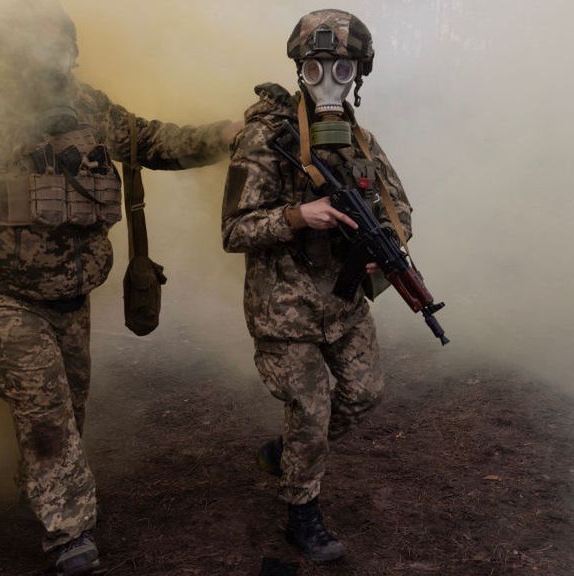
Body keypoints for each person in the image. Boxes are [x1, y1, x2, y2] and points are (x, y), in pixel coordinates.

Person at [0, 3, 237, 575]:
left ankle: (39, 486)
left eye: (55, 48)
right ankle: (69, 533)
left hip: (70, 288)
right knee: (43, 405)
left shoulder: (86, 105)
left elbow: (153, 141)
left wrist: (228, 134)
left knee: (70, 403)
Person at [221, 9, 413, 563]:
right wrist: (297, 216)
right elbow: (235, 230)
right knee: (311, 406)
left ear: (360, 73)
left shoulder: (361, 140)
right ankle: (302, 511)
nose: (330, 79)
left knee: (364, 395)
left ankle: (287, 454)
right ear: (299, 71)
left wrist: (382, 252)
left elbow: (398, 208)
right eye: (316, 66)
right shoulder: (263, 139)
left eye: (343, 67)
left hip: (344, 304)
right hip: (283, 309)